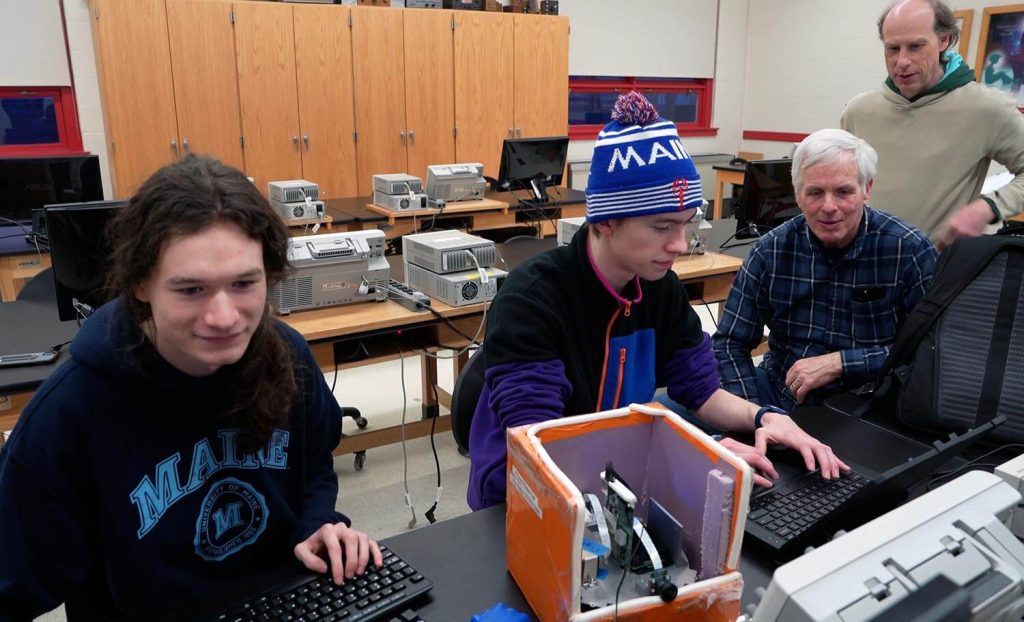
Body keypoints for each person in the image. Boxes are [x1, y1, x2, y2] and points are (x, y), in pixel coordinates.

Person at [0, 156, 381, 619]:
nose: (224, 317)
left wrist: (315, 522)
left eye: (244, 283)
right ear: (141, 283)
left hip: (289, 603)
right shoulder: (70, 411)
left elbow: (314, 462)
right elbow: (12, 585)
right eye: (191, 290)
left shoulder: (287, 355)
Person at [466, 92, 848, 511]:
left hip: (616, 480)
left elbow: (701, 391)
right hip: (522, 495)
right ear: (606, 220)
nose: (680, 245)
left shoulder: (656, 285)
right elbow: (546, 446)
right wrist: (698, 452)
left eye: (686, 224)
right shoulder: (532, 299)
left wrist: (766, 417)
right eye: (662, 226)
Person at [713, 129, 937, 411]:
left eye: (843, 192)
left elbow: (933, 351)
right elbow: (730, 344)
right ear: (797, 194)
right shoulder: (770, 251)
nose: (829, 207)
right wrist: (754, 416)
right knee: (664, 413)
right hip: (779, 393)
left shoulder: (909, 251)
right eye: (815, 193)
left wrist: (842, 363)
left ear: (867, 189)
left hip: (870, 405)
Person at [840, 0, 1024, 248]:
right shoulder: (858, 111)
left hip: (938, 275)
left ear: (944, 40)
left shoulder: (987, 109)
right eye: (892, 48)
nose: (902, 61)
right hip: (861, 266)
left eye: (915, 46)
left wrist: (989, 207)